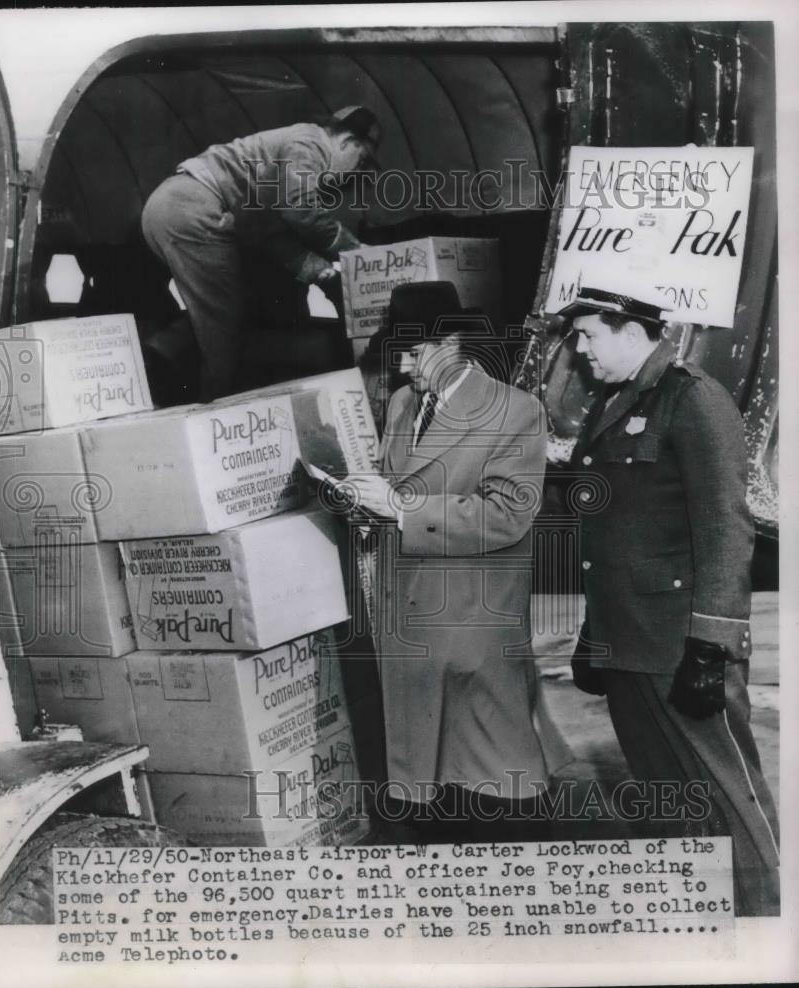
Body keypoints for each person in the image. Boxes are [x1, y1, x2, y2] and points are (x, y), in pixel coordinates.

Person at [560, 286, 780, 916]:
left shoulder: (694, 399)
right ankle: (703, 926)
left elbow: (725, 529)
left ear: (632, 333)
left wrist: (714, 642)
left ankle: (765, 931)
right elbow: (608, 536)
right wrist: (592, 633)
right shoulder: (616, 402)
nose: (579, 350)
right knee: (665, 799)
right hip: (628, 641)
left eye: (589, 336)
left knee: (729, 799)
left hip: (682, 643)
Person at [342, 281, 572, 841]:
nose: (401, 365)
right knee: (425, 770)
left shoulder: (515, 412)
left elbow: (506, 515)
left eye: (413, 351)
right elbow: (399, 484)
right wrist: (363, 503)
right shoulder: (401, 404)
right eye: (396, 351)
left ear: (450, 343)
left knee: (495, 769)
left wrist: (400, 508)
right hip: (407, 609)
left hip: (473, 615)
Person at [141, 106, 381, 401]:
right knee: (223, 328)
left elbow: (266, 231)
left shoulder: (286, 153)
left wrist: (317, 270)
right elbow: (300, 210)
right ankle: (217, 411)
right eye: (362, 159)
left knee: (220, 308)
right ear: (346, 142)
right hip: (194, 208)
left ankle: (162, 351)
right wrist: (357, 252)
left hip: (169, 206)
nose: (357, 170)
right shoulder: (311, 144)